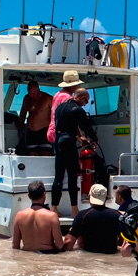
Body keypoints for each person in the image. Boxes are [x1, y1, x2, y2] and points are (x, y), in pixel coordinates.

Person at [51, 87, 97, 217]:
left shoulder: (60, 108)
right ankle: (74, 209)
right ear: (81, 97)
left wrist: (79, 137)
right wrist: (94, 139)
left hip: (58, 141)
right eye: (86, 101)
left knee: (58, 176)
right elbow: (86, 127)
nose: (86, 104)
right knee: (72, 176)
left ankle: (54, 208)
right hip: (68, 142)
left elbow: (67, 125)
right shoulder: (78, 110)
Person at [64, 184, 120, 254]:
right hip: (112, 258)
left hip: (88, 258)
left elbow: (69, 242)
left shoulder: (82, 216)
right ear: (106, 198)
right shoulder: (117, 216)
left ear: (89, 196)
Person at [11, 180, 65, 253]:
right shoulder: (52, 216)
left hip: (27, 256)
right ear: (44, 195)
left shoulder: (19, 215)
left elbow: (15, 246)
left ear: (28, 195)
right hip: (47, 257)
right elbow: (60, 245)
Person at [46, 70, 83, 143]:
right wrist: (80, 136)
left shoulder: (57, 95)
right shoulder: (68, 98)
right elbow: (71, 120)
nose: (79, 86)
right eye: (78, 84)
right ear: (73, 85)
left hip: (52, 132)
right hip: (63, 135)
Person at [19, 80, 53, 155]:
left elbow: (56, 114)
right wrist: (20, 130)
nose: (32, 95)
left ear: (39, 90)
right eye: (30, 93)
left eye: (34, 93)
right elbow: (22, 114)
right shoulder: (27, 98)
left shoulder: (48, 98)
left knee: (46, 154)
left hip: (44, 131)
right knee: (31, 154)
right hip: (31, 132)